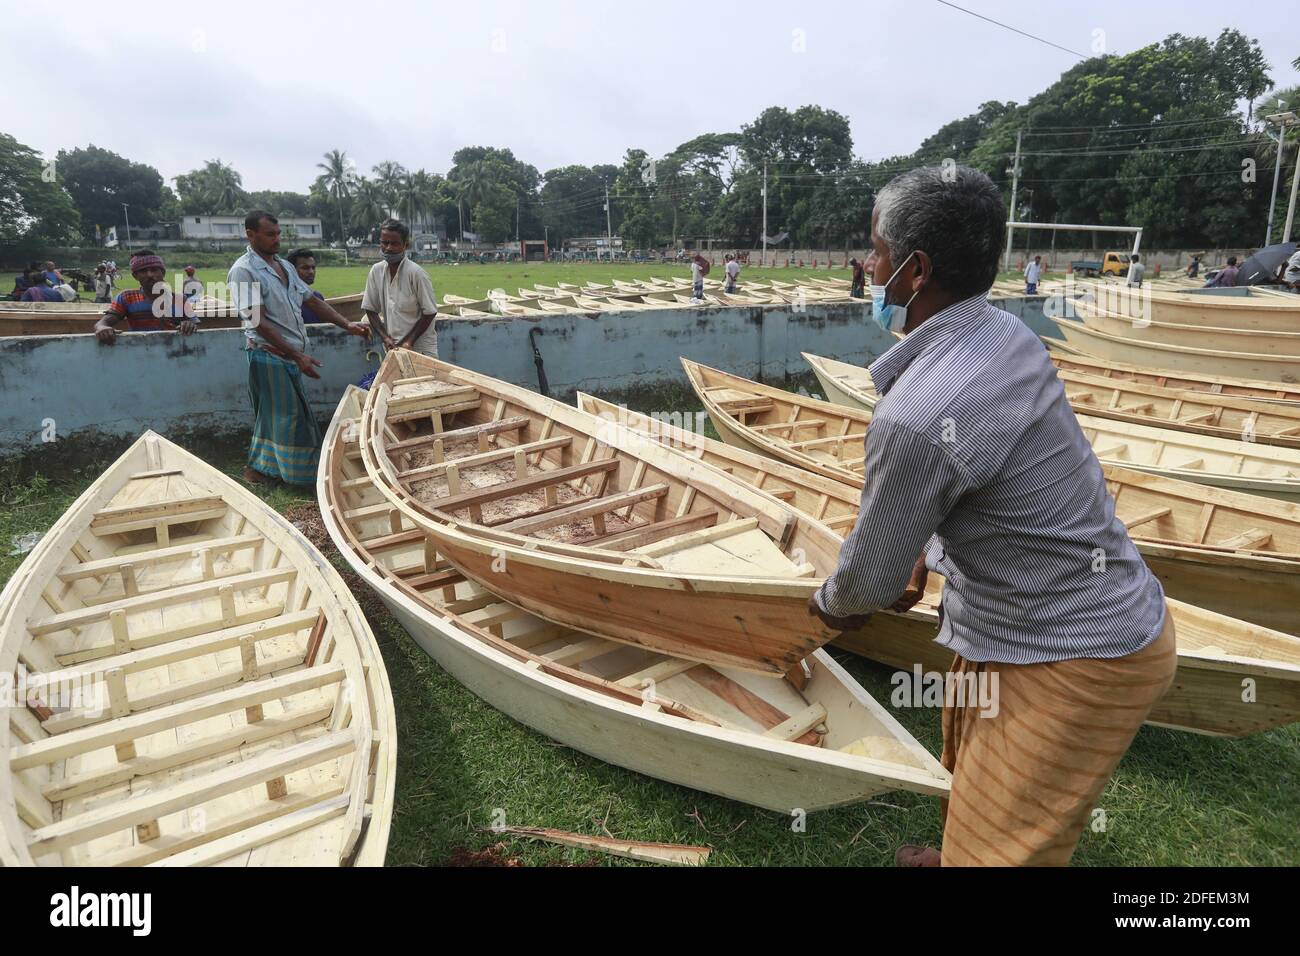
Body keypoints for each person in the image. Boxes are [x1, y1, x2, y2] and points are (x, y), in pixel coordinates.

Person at [808, 165, 1174, 868]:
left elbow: (866, 585)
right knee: (975, 771)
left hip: (1075, 652)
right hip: (1039, 621)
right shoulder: (1003, 332)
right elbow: (982, 479)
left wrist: (820, 611)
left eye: (876, 252)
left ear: (915, 272)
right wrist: (919, 547)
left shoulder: (916, 416)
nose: (867, 266)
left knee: (1005, 852)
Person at [230, 210, 370, 487]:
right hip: (268, 355)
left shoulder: (285, 266)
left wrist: (347, 325)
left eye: (278, 233)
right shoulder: (243, 270)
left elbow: (313, 302)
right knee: (287, 418)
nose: (277, 239)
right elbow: (257, 321)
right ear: (250, 235)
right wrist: (298, 356)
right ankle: (290, 476)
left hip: (289, 355)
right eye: (270, 234)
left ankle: (263, 471)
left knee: (276, 417)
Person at [361, 220, 438, 354]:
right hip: (392, 348)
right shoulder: (376, 271)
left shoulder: (416, 273)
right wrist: (385, 337)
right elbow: (370, 309)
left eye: (394, 243)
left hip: (420, 350)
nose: (389, 248)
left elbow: (430, 312)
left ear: (405, 245)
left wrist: (409, 342)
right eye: (385, 243)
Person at [94, 249, 200, 344]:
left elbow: (195, 324)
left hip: (173, 354)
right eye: (143, 271)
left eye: (154, 270)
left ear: (162, 272)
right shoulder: (127, 297)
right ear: (135, 276)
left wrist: (189, 325)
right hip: (140, 353)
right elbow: (103, 322)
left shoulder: (180, 299)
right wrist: (102, 327)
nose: (149, 275)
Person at [287, 248, 327, 324]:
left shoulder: (317, 296)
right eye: (305, 268)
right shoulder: (285, 300)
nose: (311, 272)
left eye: (313, 267)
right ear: (291, 270)